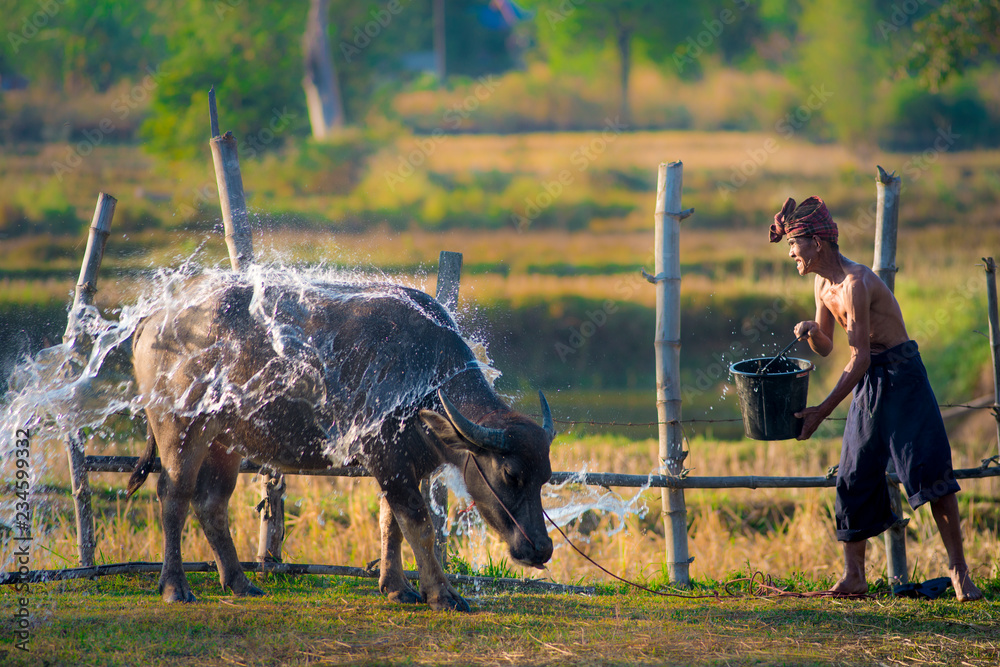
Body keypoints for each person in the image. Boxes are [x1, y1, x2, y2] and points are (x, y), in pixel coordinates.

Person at [770, 196, 982, 601]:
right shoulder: (823, 285)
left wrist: (819, 413)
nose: (791, 254)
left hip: (902, 375)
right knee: (853, 472)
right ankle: (854, 578)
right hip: (869, 380)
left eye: (793, 245)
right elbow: (829, 346)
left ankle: (959, 573)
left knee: (929, 472)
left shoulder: (856, 283)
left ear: (815, 241)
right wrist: (812, 331)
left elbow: (860, 357)